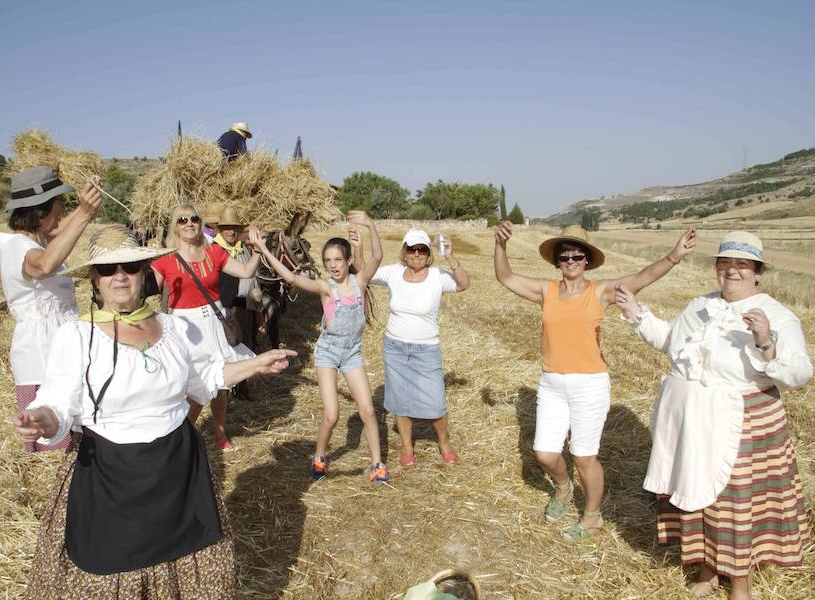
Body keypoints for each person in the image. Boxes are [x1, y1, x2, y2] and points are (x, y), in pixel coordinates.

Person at [13, 225, 296, 598]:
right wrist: (41, 420)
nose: (120, 277)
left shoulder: (172, 327)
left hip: (179, 467)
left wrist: (257, 364)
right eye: (108, 270)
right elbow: (58, 402)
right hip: (110, 473)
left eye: (129, 268)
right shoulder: (77, 336)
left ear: (144, 272)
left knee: (189, 558)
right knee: (112, 567)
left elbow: (206, 377)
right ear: (94, 281)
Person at [614, 231, 811, 600]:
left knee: (734, 507)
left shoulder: (778, 315)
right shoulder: (700, 305)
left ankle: (740, 584)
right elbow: (672, 344)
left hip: (742, 421)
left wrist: (766, 341)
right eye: (725, 263)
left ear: (758, 272)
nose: (732, 271)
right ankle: (706, 568)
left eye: (742, 264)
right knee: (701, 499)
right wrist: (637, 314)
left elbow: (799, 374)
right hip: (692, 421)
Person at [493, 222, 695, 539]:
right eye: (564, 256)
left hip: (590, 384)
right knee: (545, 453)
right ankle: (563, 488)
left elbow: (641, 279)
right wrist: (500, 245)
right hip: (552, 383)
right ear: (556, 261)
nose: (570, 261)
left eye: (577, 256)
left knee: (584, 456)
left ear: (587, 259)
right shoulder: (546, 291)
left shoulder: (599, 291)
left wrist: (674, 256)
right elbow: (505, 277)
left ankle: (592, 516)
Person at [250, 211, 391, 483]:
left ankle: (377, 464)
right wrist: (264, 251)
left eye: (338, 260)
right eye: (328, 261)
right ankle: (320, 455)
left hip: (352, 352)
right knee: (332, 415)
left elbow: (377, 257)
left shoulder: (360, 282)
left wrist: (371, 225)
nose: (334, 265)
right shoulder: (326, 288)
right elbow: (291, 278)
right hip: (328, 353)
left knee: (368, 411)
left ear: (349, 260)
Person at [0, 166, 102, 452]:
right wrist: (84, 213)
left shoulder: (37, 241)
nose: (62, 214)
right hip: (42, 355)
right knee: (59, 443)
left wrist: (83, 207)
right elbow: (43, 266)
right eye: (59, 208)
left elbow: (60, 235)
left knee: (78, 442)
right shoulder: (17, 246)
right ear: (40, 212)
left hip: (60, 344)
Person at [151, 204, 261, 449]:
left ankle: (219, 433)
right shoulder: (165, 260)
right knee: (195, 384)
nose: (189, 223)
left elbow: (245, 271)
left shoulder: (214, 252)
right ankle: (185, 435)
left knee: (221, 382)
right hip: (185, 327)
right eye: (182, 220)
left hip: (215, 321)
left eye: (194, 219)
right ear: (175, 226)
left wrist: (258, 251)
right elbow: (147, 289)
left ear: (201, 224)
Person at [369, 229, 470, 468]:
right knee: (400, 400)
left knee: (435, 402)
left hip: (427, 349)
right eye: (412, 249)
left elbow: (464, 284)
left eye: (422, 249)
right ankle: (406, 446)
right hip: (395, 347)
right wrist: (362, 238)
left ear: (428, 253)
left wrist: (451, 257)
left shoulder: (437, 276)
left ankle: (444, 442)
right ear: (404, 251)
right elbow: (365, 272)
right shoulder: (392, 272)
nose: (416, 254)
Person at [215, 206, 260, 347]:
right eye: (228, 228)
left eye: (235, 228)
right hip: (225, 309)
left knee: (248, 343)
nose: (232, 232)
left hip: (246, 307)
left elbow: (253, 279)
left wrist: (258, 308)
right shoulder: (214, 250)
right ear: (220, 230)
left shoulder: (243, 249)